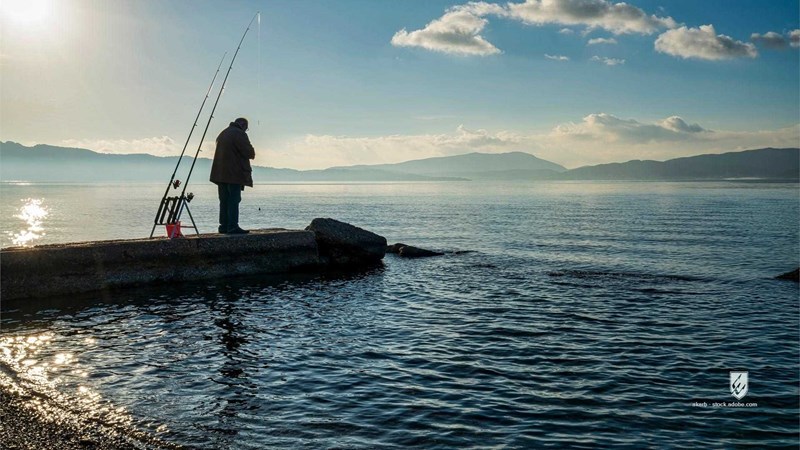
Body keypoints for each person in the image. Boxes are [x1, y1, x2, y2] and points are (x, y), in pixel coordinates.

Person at [210, 117, 255, 234]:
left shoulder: (223, 133)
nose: (246, 131)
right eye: (246, 128)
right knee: (234, 200)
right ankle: (233, 226)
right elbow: (249, 153)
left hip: (220, 174)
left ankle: (223, 226)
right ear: (243, 125)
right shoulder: (239, 134)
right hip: (234, 174)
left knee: (224, 200)